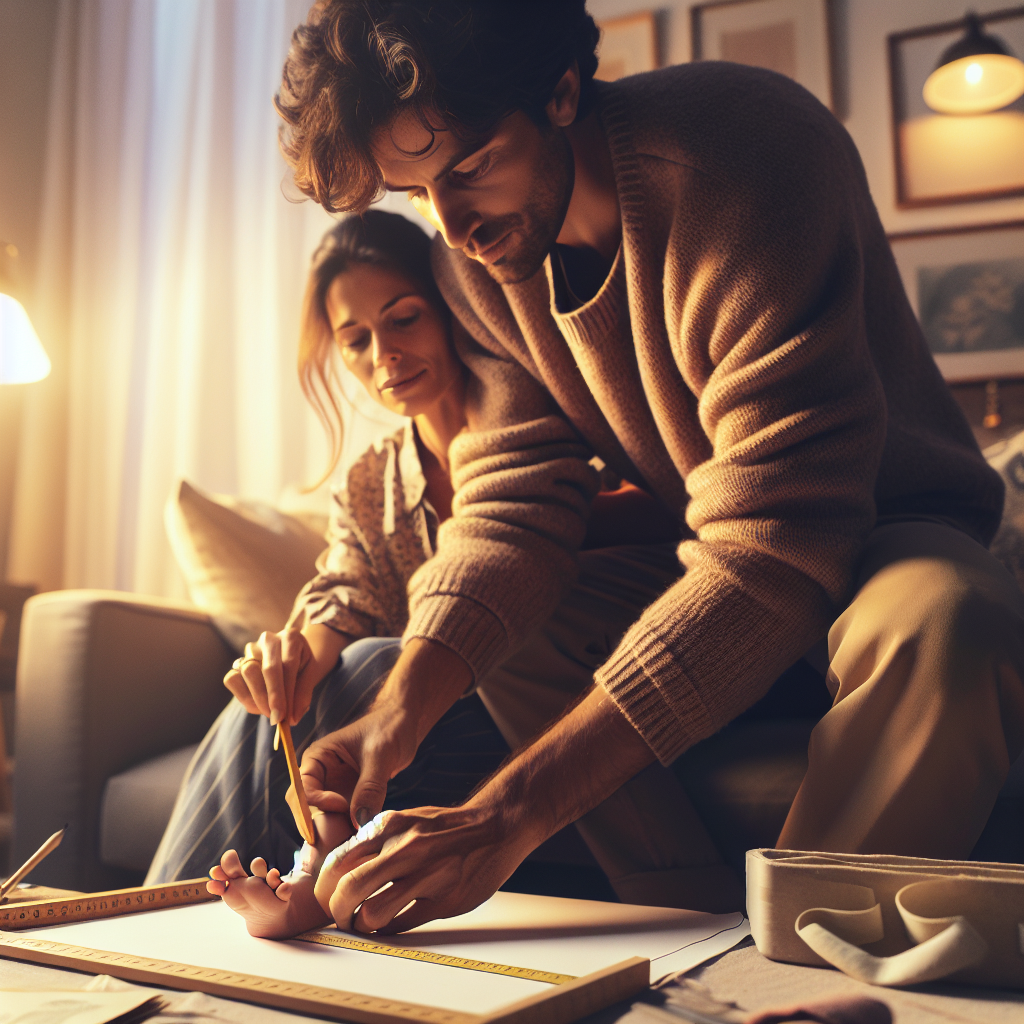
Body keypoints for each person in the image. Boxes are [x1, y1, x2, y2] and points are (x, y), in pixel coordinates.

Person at [256, 0, 1023, 939]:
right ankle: (683, 924)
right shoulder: (476, 276)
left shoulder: (744, 153)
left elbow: (777, 543)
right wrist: (396, 716)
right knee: (500, 621)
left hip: (880, 533)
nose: (451, 226)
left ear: (565, 92)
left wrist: (505, 816)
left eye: (471, 169)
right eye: (414, 194)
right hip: (705, 545)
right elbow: (510, 510)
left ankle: (798, 961)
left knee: (951, 624)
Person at [148, 208, 702, 935]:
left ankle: (159, 932)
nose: (384, 355)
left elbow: (529, 550)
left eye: (403, 319)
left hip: (548, 716)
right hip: (415, 736)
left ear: (451, 312)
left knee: (375, 663)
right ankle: (244, 914)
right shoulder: (374, 481)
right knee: (281, 703)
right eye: (355, 341)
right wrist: (291, 653)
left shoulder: (540, 415)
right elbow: (344, 592)